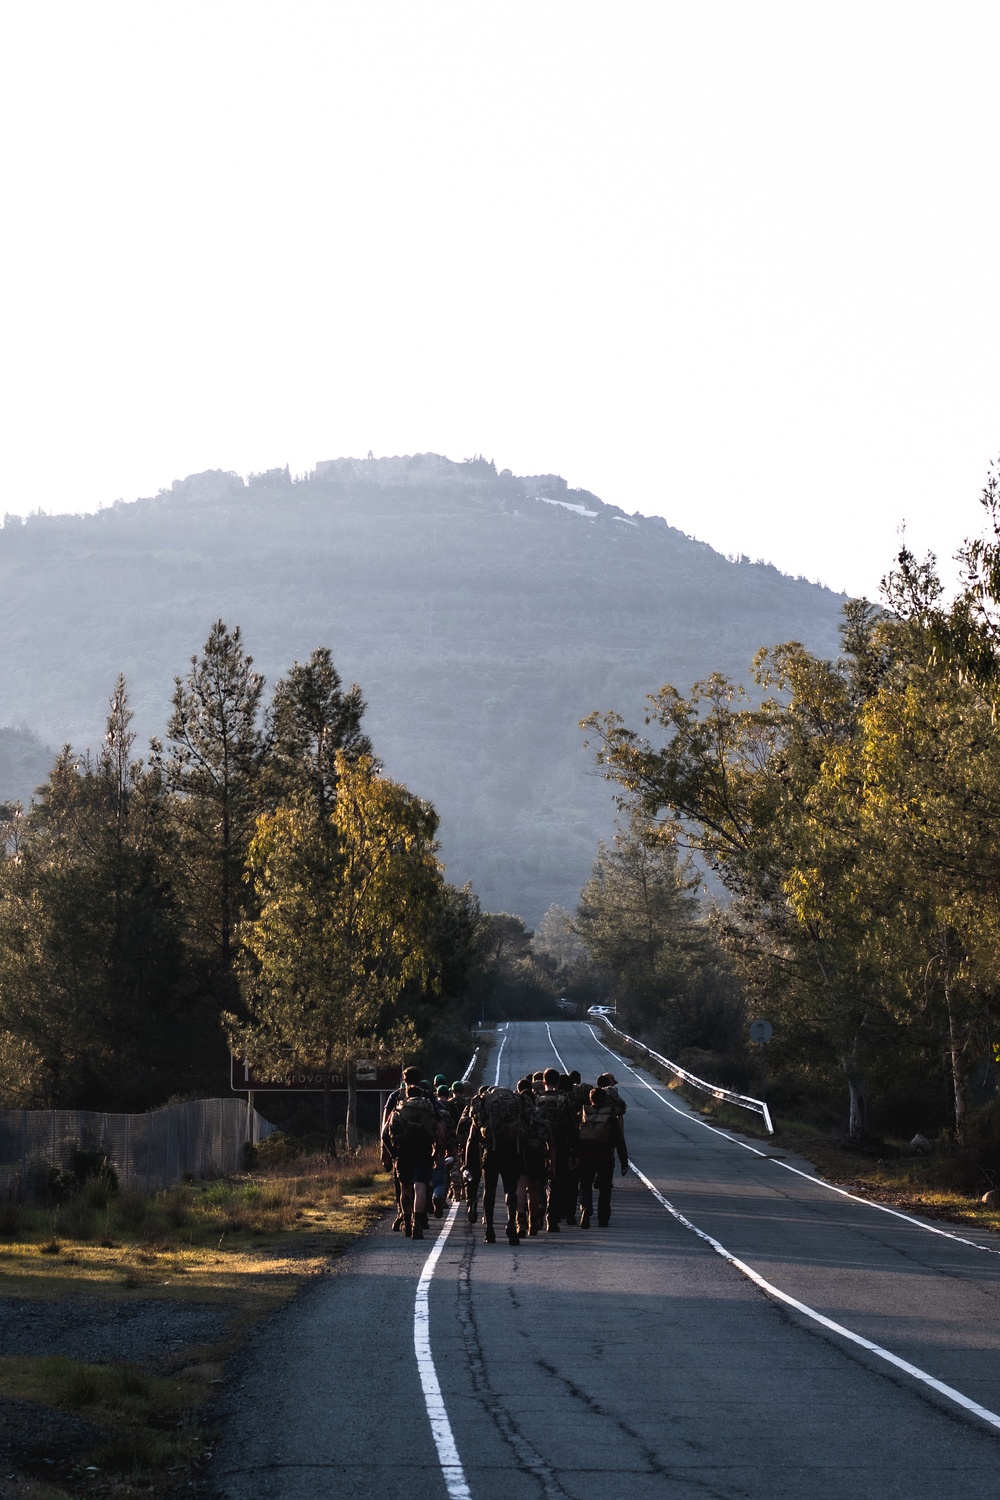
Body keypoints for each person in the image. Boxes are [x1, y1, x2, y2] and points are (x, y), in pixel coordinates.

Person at [381, 1083, 444, 1239]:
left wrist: (392, 1152)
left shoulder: (400, 1108)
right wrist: (436, 1151)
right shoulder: (428, 1108)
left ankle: (407, 1224)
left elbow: (384, 1133)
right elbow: (440, 1131)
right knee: (420, 1187)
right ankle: (417, 1224)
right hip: (423, 1151)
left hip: (403, 1152)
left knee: (405, 1188)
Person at [576, 1086, 628, 1227]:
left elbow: (575, 1137)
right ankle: (603, 1217)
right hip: (605, 1156)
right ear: (605, 1100)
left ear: (590, 1099)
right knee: (605, 1188)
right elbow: (619, 1140)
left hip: (585, 1156)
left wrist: (574, 1155)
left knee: (585, 1184)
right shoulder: (610, 1117)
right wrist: (624, 1161)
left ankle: (585, 1209)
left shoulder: (583, 1114)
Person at [533, 1068, 578, 1231]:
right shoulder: (565, 1100)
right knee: (557, 1182)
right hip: (561, 1145)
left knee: (537, 1181)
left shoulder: (536, 1099)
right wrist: (574, 1152)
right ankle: (552, 1219)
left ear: (543, 1082)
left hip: (538, 1145)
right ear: (558, 1082)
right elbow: (573, 1126)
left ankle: (537, 1210)